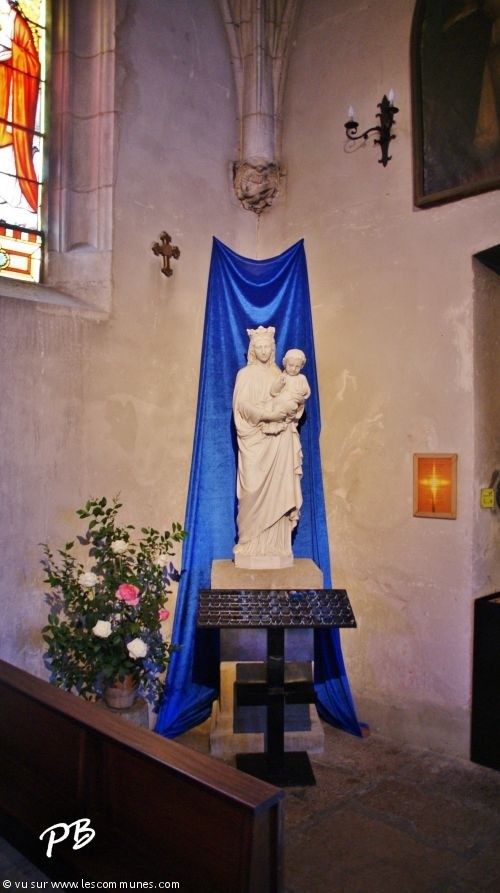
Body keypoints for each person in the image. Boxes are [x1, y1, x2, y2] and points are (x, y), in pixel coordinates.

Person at [232, 326, 306, 568]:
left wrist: (291, 410)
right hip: (254, 439)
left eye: (267, 347)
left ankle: (276, 545)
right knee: (251, 490)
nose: (264, 351)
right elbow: (241, 406)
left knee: (279, 490)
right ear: (253, 349)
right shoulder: (245, 375)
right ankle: (249, 542)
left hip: (279, 441)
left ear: (273, 349)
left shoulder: (280, 374)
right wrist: (267, 415)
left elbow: (295, 401)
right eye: (260, 347)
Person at [0, 0, 41, 216]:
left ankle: (17, 198)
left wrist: (12, 54)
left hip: (14, 96)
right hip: (3, 88)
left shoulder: (18, 24)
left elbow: (32, 63)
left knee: (9, 148)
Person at [268, 348, 311, 425]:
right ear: (285, 364)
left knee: (292, 406)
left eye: (297, 366)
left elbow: (307, 393)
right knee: (281, 404)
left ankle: (289, 421)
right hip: (282, 403)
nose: (293, 369)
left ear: (301, 366)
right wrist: (280, 384)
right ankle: (280, 421)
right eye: (291, 365)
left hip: (294, 404)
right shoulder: (283, 376)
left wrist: (302, 392)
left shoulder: (302, 378)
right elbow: (273, 391)